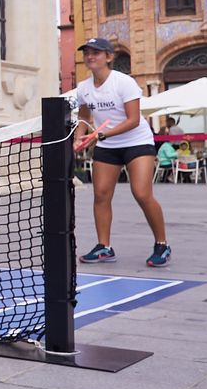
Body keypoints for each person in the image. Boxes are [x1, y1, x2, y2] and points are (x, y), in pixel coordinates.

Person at [73, 37, 170, 267]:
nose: (90, 56)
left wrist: (99, 136)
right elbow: (84, 117)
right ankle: (104, 247)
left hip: (137, 142)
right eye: (87, 52)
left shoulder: (124, 83)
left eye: (96, 52)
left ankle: (162, 245)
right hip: (107, 145)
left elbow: (134, 120)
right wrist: (79, 137)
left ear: (108, 57)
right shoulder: (84, 88)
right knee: (101, 195)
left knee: (141, 193)